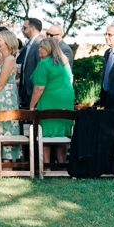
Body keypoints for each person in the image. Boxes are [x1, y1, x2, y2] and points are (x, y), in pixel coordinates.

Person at [30, 38, 76, 170]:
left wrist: (32, 106)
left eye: (42, 48)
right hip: (65, 100)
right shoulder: (63, 62)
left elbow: (39, 88)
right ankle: (61, 166)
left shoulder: (44, 63)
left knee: (46, 132)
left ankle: (46, 167)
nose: (39, 50)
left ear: (49, 49)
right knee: (60, 133)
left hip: (50, 99)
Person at [0, 29, 21, 161]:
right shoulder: (2, 58)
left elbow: (2, 82)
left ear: (7, 42)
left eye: (0, 40)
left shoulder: (10, 59)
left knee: (7, 126)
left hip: (6, 98)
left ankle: (8, 161)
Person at [94, 23, 114, 111]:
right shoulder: (107, 53)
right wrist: (101, 96)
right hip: (107, 99)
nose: (106, 37)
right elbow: (106, 75)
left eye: (109, 35)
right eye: (105, 34)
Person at [18, 18, 44, 108]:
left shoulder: (39, 44)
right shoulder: (29, 43)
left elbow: (40, 68)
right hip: (26, 90)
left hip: (33, 90)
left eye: (24, 27)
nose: (23, 30)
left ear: (32, 28)